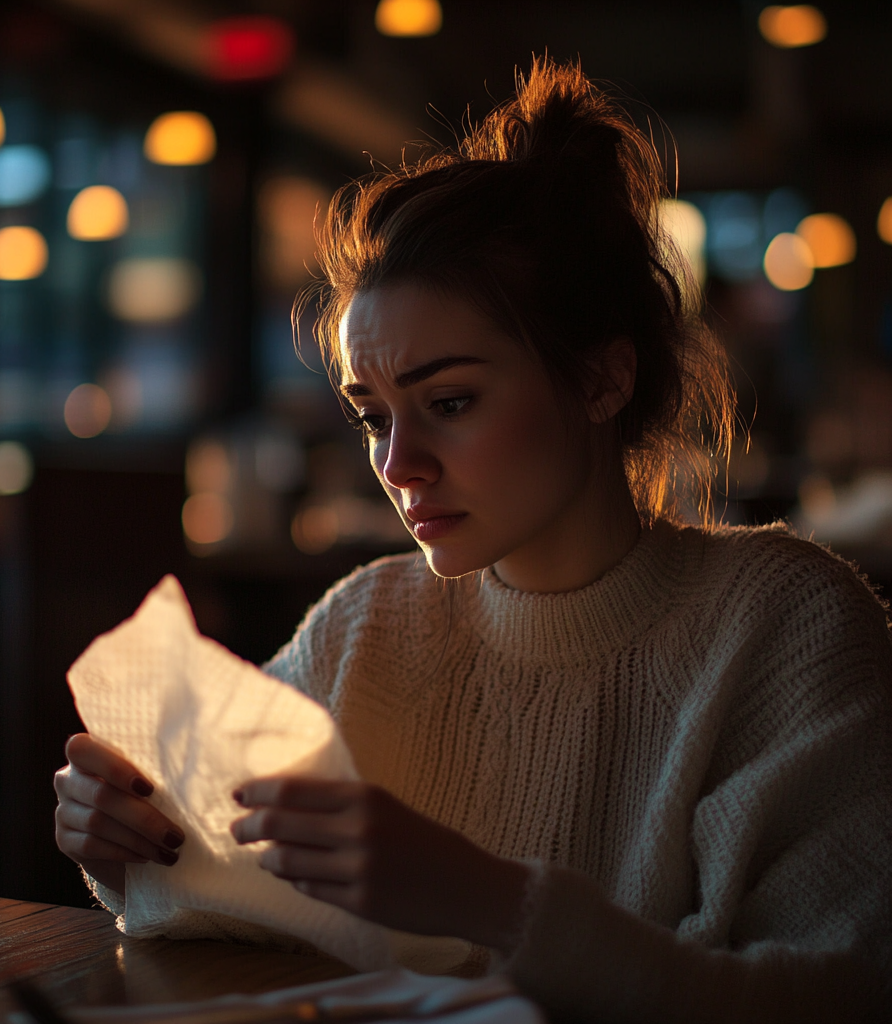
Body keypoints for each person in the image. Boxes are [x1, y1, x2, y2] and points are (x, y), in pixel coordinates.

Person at [55, 59, 891, 1022]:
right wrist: (127, 842)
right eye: (374, 416)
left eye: (449, 403)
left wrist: (485, 899)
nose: (398, 464)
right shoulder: (367, 624)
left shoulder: (782, 630)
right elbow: (225, 903)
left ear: (600, 380)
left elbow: (840, 996)